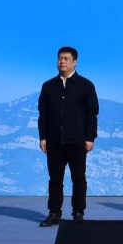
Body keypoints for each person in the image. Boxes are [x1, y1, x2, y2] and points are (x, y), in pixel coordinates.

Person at [37, 46, 99, 227]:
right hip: (54, 141)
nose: (62, 61)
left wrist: (90, 138)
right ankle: (54, 213)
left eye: (66, 58)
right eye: (60, 58)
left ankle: (78, 212)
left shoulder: (86, 85)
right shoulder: (48, 86)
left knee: (78, 178)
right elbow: (43, 114)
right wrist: (43, 137)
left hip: (77, 141)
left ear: (74, 62)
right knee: (55, 179)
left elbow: (92, 114)